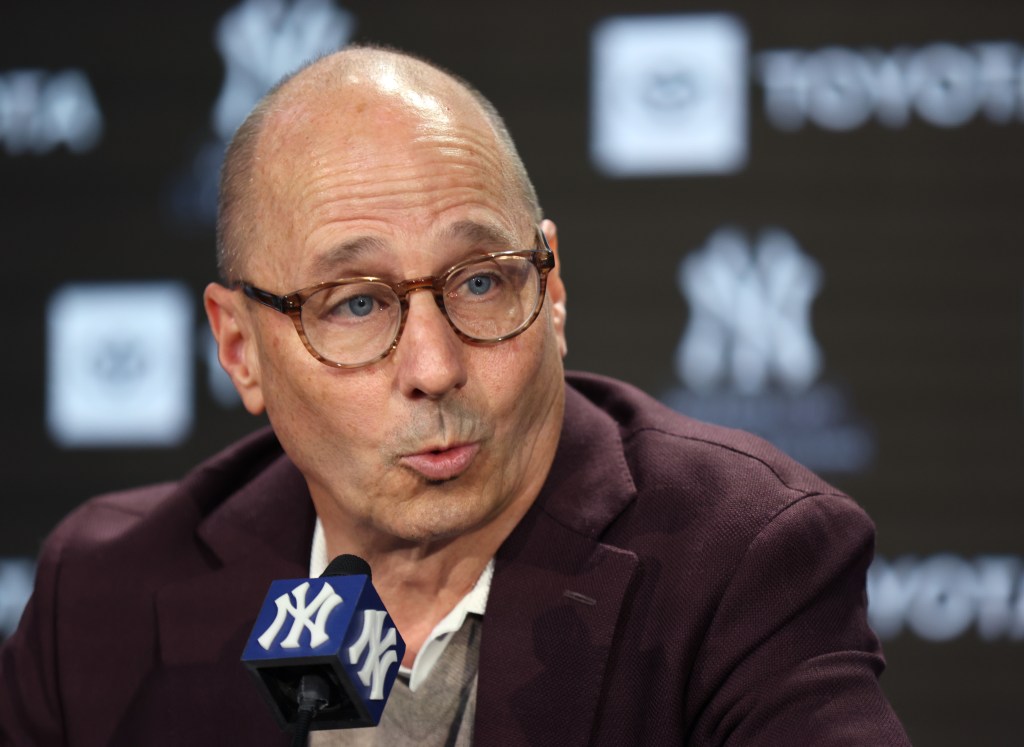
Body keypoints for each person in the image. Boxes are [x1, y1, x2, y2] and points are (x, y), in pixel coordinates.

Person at [0, 46, 911, 746]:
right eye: (354, 303)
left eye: (479, 282)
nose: (434, 365)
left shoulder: (741, 556)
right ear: (240, 348)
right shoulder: (106, 590)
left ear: (550, 292)